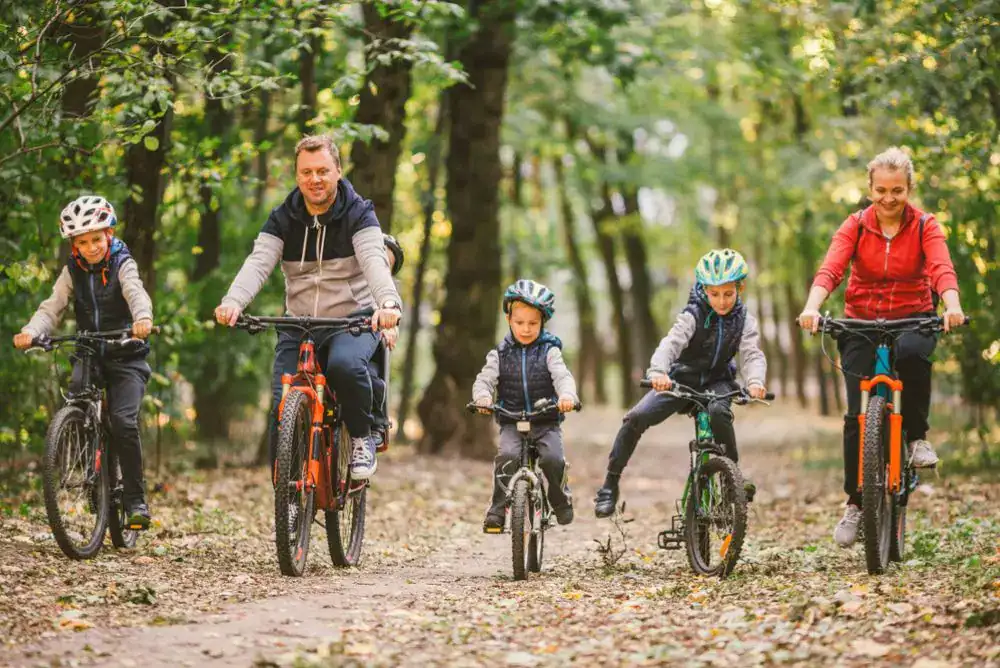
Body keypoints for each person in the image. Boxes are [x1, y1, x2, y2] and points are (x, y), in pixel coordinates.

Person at [797, 146, 965, 547]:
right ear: (870, 188)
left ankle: (916, 438)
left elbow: (941, 268)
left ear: (909, 189)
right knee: (857, 414)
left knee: (911, 355)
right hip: (860, 320)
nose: (889, 198)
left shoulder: (925, 226)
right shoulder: (855, 226)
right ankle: (856, 503)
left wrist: (952, 304)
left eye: (898, 190)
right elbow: (832, 268)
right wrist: (812, 307)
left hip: (913, 315)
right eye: (882, 190)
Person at [214, 134, 402, 481]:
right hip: (299, 323)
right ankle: (285, 493)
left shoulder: (360, 214)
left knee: (345, 366)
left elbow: (376, 262)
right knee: (280, 404)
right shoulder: (283, 217)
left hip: (352, 320)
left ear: (338, 171)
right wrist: (234, 301)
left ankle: (361, 437)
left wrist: (388, 303)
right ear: (297, 175)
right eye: (306, 172)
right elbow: (258, 262)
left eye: (322, 171)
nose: (314, 179)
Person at [13, 195, 156, 528]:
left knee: (123, 421)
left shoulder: (123, 262)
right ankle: (87, 445)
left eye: (97, 238)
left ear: (109, 233)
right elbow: (53, 308)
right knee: (77, 393)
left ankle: (136, 500)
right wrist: (32, 331)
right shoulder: (71, 271)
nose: (91, 247)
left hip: (126, 352)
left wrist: (143, 318)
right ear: (74, 245)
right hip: (90, 351)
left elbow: (135, 292)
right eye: (83, 242)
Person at [594, 249, 768, 518]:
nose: (721, 301)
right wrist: (658, 372)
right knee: (635, 418)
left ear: (740, 288)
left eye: (728, 294)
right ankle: (610, 483)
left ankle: (732, 477)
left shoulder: (745, 320)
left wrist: (755, 381)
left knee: (719, 413)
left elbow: (752, 353)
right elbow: (670, 344)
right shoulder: (692, 315)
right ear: (704, 289)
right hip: (681, 381)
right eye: (714, 294)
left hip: (717, 383)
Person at [472, 279, 579, 531]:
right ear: (509, 319)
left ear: (542, 322)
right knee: (507, 457)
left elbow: (563, 377)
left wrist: (567, 396)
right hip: (511, 420)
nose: (526, 328)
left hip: (545, 420)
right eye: (520, 322)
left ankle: (559, 498)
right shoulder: (499, 354)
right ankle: (497, 510)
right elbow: (484, 380)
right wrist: (482, 397)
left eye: (533, 323)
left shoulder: (550, 351)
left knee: (553, 458)